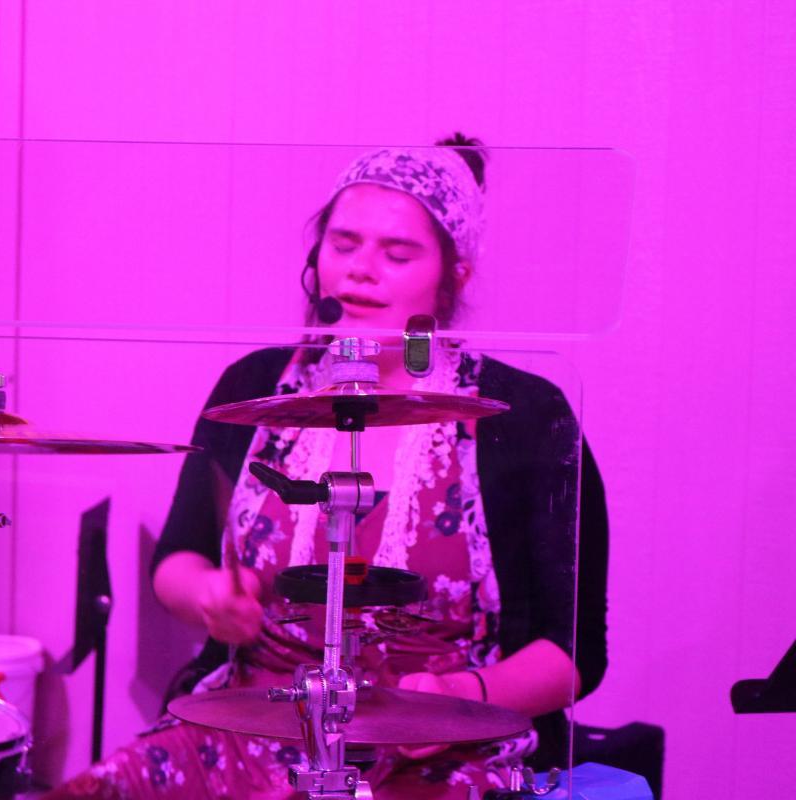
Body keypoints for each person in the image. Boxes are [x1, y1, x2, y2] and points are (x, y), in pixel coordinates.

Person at [45, 136, 609, 799]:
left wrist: (460, 693)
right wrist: (209, 598)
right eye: (343, 245)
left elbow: (575, 652)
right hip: (249, 729)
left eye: (397, 254)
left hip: (441, 748)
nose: (361, 270)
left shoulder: (526, 415)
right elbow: (177, 560)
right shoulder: (255, 385)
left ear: (454, 275)